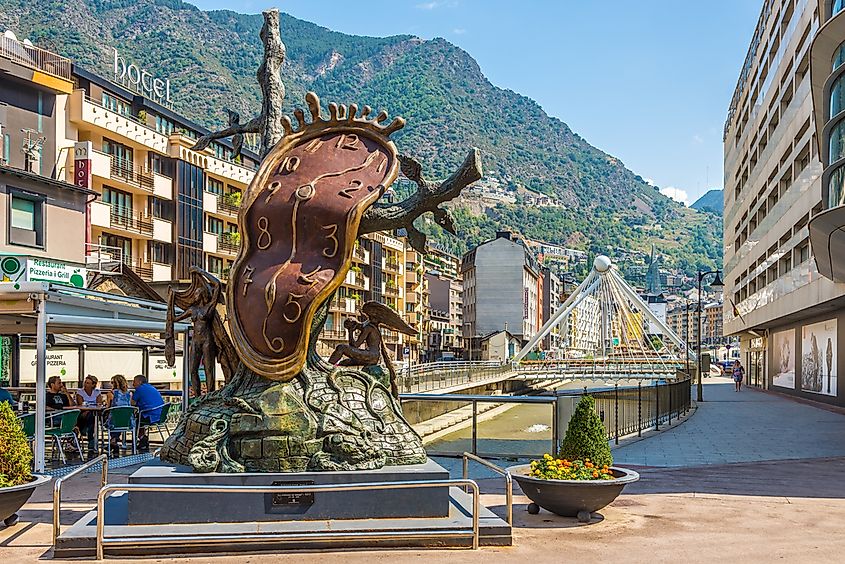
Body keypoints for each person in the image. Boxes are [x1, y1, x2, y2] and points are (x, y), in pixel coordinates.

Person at [132, 374, 163, 452]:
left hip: (150, 416)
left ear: (139, 382)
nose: (133, 384)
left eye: (134, 381)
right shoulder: (151, 387)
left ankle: (142, 438)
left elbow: (132, 404)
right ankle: (143, 438)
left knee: (133, 421)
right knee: (139, 418)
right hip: (160, 415)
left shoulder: (139, 389)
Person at [74, 375, 103, 457]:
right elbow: (80, 404)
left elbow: (99, 404)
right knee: (90, 416)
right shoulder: (80, 392)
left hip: (93, 413)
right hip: (82, 413)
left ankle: (85, 432)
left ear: (93, 385)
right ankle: (90, 439)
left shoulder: (97, 392)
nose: (85, 385)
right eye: (85, 383)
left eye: (88, 383)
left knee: (92, 416)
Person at [105, 374, 132, 456]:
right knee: (119, 419)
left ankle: (113, 440)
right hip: (127, 420)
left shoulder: (111, 393)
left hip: (114, 420)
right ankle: (114, 440)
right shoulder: (129, 394)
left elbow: (108, 407)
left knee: (104, 417)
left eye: (112, 382)